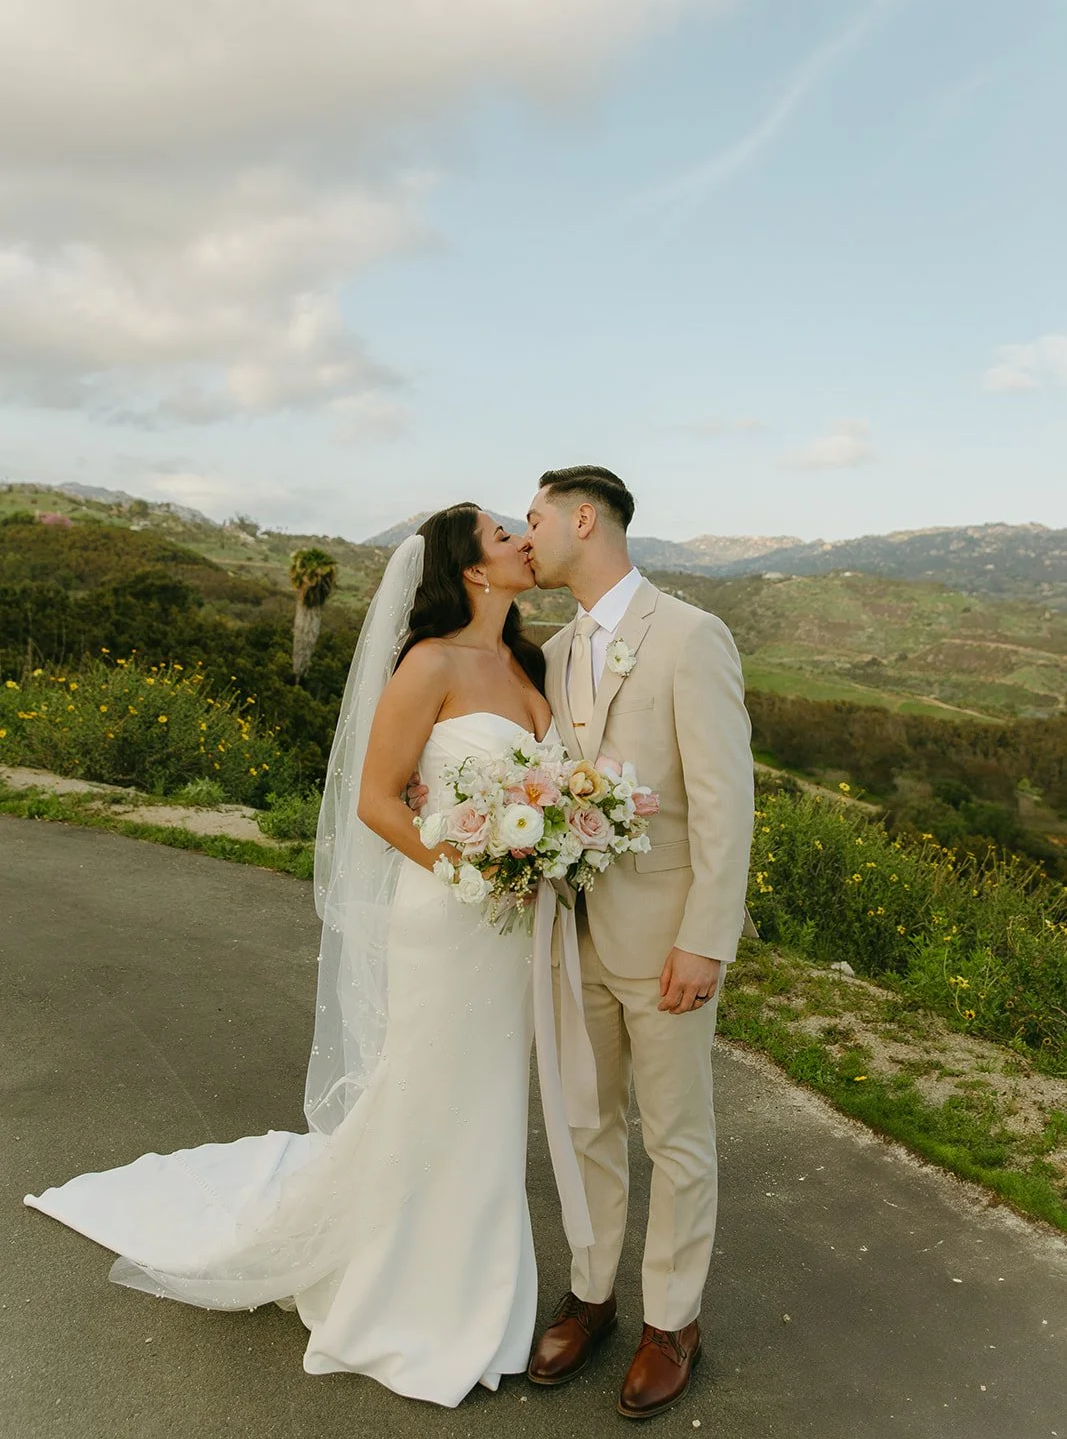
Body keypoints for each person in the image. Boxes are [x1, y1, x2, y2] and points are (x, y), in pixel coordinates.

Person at [24, 503, 594, 1409]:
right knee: (431, 1093)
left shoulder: (530, 661)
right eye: (502, 534)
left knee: (486, 1104)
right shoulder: (429, 662)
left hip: (510, 930)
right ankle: (407, 1296)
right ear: (473, 571)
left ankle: (479, 1285)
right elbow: (377, 800)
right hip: (448, 918)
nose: (524, 539)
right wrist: (471, 872)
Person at [523, 464, 756, 1421]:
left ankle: (672, 1321)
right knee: (583, 1122)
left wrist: (706, 938)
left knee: (675, 1134)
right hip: (565, 935)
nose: (523, 531)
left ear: (585, 519)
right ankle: (592, 1294)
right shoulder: (551, 650)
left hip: (661, 936)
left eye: (532, 517)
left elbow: (724, 803)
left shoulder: (690, 636)